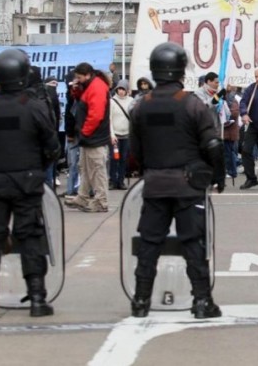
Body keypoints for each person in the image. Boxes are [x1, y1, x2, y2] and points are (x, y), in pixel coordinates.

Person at [128, 42, 225, 319]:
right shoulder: (192, 104)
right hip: (188, 185)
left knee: (149, 244)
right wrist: (217, 175)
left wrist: (149, 170)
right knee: (193, 243)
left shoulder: (142, 105)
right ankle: (202, 301)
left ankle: (140, 300)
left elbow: (135, 150)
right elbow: (213, 144)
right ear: (181, 70)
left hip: (155, 182)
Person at [0, 49, 60, 317]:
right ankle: (37, 298)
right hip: (27, 180)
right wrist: (37, 168)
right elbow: (52, 146)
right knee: (30, 236)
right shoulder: (34, 106)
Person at [64, 63, 111, 213]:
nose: (77, 80)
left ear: (87, 75)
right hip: (90, 136)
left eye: (79, 77)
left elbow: (96, 115)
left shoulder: (96, 87)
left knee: (96, 169)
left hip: (94, 136)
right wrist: (76, 90)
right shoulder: (91, 85)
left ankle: (101, 201)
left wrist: (85, 132)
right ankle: (83, 197)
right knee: (85, 167)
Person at [109, 80, 134, 190]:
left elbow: (133, 118)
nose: (121, 91)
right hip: (115, 135)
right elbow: (109, 119)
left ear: (127, 90)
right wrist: (112, 134)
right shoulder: (112, 101)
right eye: (119, 89)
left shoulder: (131, 101)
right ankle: (112, 180)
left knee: (124, 159)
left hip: (127, 135)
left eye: (123, 89)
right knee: (114, 159)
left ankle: (121, 181)